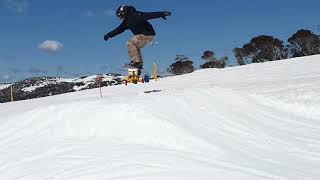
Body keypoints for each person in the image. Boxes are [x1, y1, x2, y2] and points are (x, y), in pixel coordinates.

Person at [104, 5, 171, 69]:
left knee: (130, 43)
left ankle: (135, 62)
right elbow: (119, 29)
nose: (121, 18)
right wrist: (109, 35)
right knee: (135, 47)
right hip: (143, 36)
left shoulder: (136, 15)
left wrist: (162, 13)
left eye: (120, 16)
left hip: (147, 34)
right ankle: (139, 64)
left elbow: (149, 15)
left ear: (123, 12)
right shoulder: (126, 22)